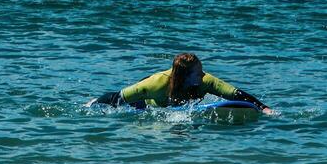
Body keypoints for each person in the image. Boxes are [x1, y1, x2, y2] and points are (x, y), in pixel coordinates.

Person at [94, 53, 271, 113]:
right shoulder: (156, 83)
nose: (203, 74)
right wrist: (93, 105)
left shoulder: (205, 81)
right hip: (144, 104)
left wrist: (263, 108)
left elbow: (236, 94)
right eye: (197, 72)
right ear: (185, 76)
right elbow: (118, 97)